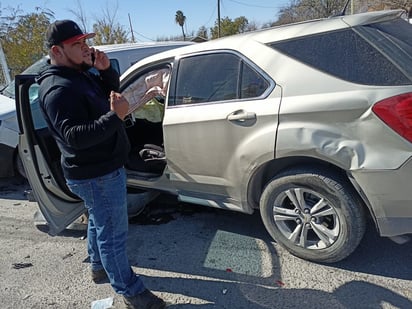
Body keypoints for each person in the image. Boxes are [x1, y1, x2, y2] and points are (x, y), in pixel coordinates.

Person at [37, 20, 166, 309]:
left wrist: (107, 71)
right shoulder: (58, 89)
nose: (85, 48)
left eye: (85, 42)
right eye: (77, 44)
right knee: (113, 236)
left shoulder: (78, 74)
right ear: (57, 51)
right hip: (96, 174)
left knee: (99, 220)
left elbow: (108, 95)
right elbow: (75, 138)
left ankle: (98, 267)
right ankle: (132, 293)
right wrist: (115, 117)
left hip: (101, 170)